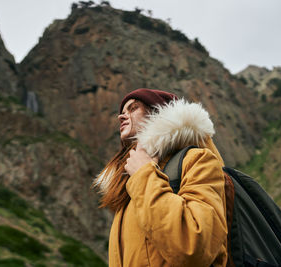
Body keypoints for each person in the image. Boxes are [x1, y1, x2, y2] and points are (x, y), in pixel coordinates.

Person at [94, 88, 228, 267]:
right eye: (122, 112)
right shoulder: (128, 185)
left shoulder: (197, 160)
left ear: (158, 114)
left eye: (133, 108)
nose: (121, 116)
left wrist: (144, 175)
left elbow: (194, 247)